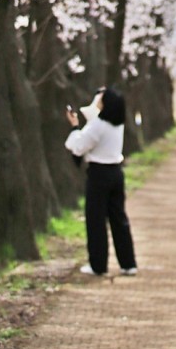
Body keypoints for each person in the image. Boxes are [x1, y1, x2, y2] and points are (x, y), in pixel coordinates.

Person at [65, 88, 137, 277]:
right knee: (118, 219)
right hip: (116, 172)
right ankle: (128, 263)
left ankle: (98, 265)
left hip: (99, 174)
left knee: (96, 220)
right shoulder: (117, 124)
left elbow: (78, 147)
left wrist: (74, 127)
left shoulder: (98, 125)